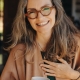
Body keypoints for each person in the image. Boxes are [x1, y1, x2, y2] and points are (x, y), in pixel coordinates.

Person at [1, 0, 80, 80]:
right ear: (26, 16)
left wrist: (72, 75)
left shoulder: (77, 44)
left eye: (45, 9)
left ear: (56, 9)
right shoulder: (18, 52)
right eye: (32, 12)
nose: (40, 17)